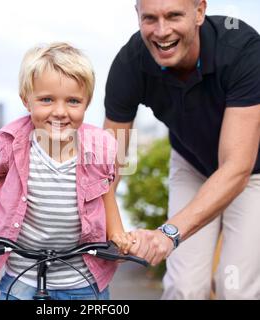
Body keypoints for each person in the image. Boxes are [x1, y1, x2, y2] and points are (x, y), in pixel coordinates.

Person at [0, 42, 134, 300]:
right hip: (23, 277)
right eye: (46, 100)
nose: (60, 112)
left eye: (73, 101)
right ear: (27, 100)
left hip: (82, 281)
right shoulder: (11, 143)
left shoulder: (99, 146)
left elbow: (105, 193)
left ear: (87, 103)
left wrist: (116, 234)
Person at [104, 0, 260, 299]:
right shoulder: (129, 63)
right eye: (150, 18)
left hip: (252, 171)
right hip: (192, 164)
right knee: (183, 287)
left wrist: (169, 234)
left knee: (236, 287)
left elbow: (237, 166)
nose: (162, 31)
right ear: (137, 15)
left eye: (174, 15)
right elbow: (109, 165)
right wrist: (104, 228)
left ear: (199, 11)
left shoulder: (243, 49)